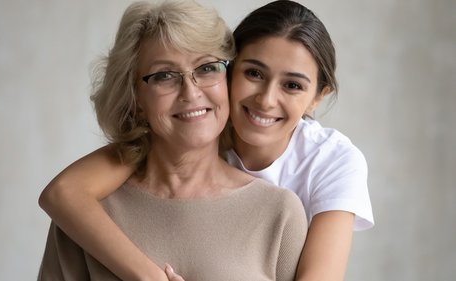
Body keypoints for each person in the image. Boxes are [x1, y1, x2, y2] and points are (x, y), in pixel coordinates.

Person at [39, 0, 374, 280]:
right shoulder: (85, 215)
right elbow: (64, 193)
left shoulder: (288, 207)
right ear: (135, 98)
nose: (191, 92)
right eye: (164, 76)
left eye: (206, 68)